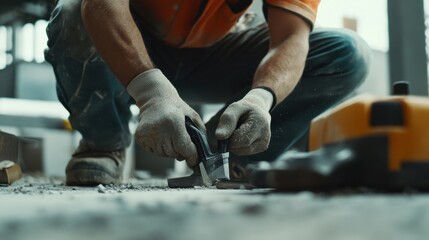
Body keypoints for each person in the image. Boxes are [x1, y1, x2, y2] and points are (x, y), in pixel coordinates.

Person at [44, 0, 371, 186]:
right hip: (131, 44)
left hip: (219, 53)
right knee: (72, 12)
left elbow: (290, 38)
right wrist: (151, 93)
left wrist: (262, 97)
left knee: (344, 52)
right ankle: (104, 144)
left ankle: (227, 156)